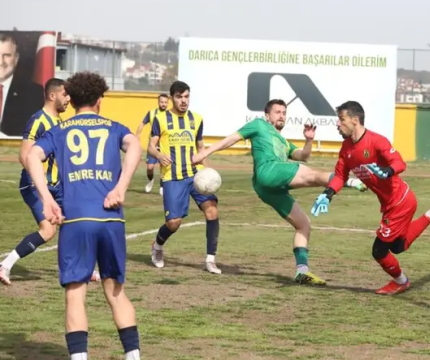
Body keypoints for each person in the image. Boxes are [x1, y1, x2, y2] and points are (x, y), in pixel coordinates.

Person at [25, 71, 142, 360]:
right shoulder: (114, 127)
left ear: (72, 99)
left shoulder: (60, 131)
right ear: (100, 100)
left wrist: (47, 198)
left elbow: (31, 156)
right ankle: (134, 356)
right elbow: (135, 145)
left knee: (75, 294)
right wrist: (121, 187)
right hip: (111, 218)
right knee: (116, 292)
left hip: (76, 220)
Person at [192, 99, 368, 285]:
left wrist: (308, 140)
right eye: (277, 112)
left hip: (266, 188)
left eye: (284, 112)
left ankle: (302, 271)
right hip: (268, 171)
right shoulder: (258, 125)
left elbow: (303, 156)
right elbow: (232, 139)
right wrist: (205, 153)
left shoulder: (283, 141)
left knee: (303, 225)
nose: (281, 115)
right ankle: (351, 181)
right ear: (267, 115)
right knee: (313, 175)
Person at [311, 101, 430, 295]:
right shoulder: (346, 148)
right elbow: (340, 176)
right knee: (398, 246)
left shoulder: (376, 141)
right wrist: (327, 194)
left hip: (400, 202)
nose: (337, 124)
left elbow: (400, 163)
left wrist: (387, 171)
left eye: (341, 119)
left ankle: (401, 281)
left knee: (379, 250)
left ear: (355, 120)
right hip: (390, 204)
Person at [0, 78, 99, 285]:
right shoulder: (38, 120)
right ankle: (5, 265)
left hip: (57, 187)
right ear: (52, 96)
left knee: (79, 221)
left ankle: (84, 268)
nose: (68, 99)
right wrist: (42, 187)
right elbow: (25, 156)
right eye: (65, 94)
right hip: (35, 186)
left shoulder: (60, 124)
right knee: (48, 230)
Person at [148, 81, 221, 274]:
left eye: (186, 96)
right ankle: (157, 245)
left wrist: (208, 171)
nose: (183, 101)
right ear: (172, 97)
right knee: (174, 223)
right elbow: (150, 146)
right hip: (173, 177)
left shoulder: (197, 119)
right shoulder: (161, 119)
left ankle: (210, 259)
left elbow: (200, 148)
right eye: (179, 97)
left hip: (195, 176)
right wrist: (158, 155)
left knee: (212, 212)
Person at [0, 33, 45, 137]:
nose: (1, 61)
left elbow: (36, 135)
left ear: (16, 59)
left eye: (6, 55)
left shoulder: (33, 93)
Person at [135, 93, 168, 196]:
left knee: (164, 166)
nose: (163, 104)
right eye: (162, 102)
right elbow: (142, 123)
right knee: (150, 167)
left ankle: (162, 187)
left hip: (165, 144)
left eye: (165, 102)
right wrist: (137, 136)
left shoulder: (170, 114)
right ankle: (150, 180)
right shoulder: (151, 113)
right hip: (153, 145)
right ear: (158, 102)